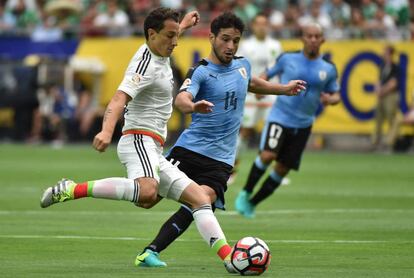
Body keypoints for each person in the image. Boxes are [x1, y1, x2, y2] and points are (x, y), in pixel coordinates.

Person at [39, 8, 236, 273]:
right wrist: (106, 131)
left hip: (154, 146)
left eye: (176, 35)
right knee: (147, 191)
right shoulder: (144, 64)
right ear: (151, 35)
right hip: (137, 139)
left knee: (200, 198)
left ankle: (230, 259)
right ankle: (72, 189)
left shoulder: (159, 48)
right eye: (170, 36)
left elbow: (169, 34)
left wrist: (184, 25)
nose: (175, 42)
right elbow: (119, 99)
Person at [134, 12, 306, 267]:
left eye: (235, 40)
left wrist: (283, 89)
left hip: (221, 161)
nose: (230, 46)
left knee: (203, 202)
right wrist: (192, 106)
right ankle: (81, 189)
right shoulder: (202, 71)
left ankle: (150, 253)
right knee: (146, 199)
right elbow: (182, 97)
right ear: (212, 38)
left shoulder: (243, 65)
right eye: (225, 39)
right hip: (190, 152)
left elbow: (251, 83)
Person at [235, 23, 341, 218]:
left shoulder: (328, 68)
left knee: (282, 169)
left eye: (317, 36)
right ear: (302, 38)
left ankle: (252, 203)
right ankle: (246, 191)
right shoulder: (287, 59)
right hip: (279, 117)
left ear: (322, 40)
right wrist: (260, 89)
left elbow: (336, 94)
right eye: (309, 36)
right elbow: (268, 73)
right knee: (267, 155)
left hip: (303, 125)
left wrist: (330, 99)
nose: (313, 40)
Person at [231, 13, 283, 184]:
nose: (261, 27)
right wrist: (254, 88)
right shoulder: (246, 46)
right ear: (253, 26)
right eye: (258, 24)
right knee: (245, 132)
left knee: (273, 132)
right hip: (252, 96)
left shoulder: (275, 45)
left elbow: (279, 69)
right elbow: (240, 68)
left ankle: (275, 172)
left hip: (270, 96)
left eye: (264, 23)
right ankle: (232, 168)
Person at [372, 45, 400, 151]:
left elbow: (393, 83)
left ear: (391, 54)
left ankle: (389, 143)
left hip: (390, 96)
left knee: (391, 118)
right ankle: (376, 142)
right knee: (378, 119)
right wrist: (377, 89)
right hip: (381, 95)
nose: (383, 54)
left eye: (386, 52)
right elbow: (379, 80)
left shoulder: (395, 67)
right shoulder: (382, 66)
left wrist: (381, 91)